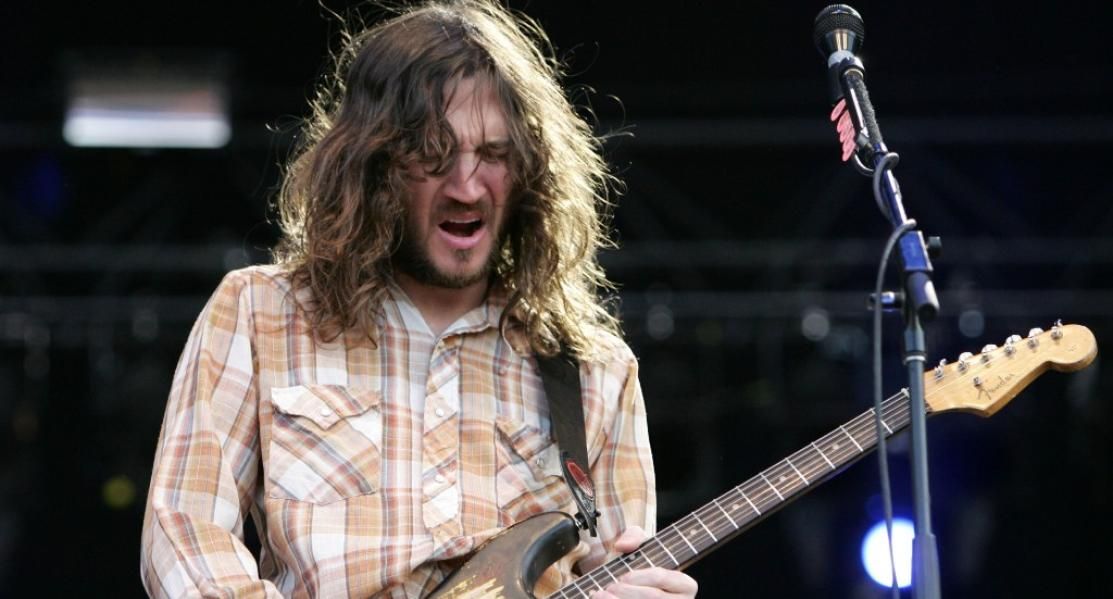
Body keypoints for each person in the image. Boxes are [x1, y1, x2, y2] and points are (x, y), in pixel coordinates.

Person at [140, 1, 698, 597]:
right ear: (372, 167)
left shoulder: (593, 370)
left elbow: (616, 569)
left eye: (493, 155)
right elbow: (185, 540)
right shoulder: (261, 311)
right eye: (433, 154)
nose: (466, 186)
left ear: (529, 170)